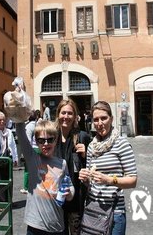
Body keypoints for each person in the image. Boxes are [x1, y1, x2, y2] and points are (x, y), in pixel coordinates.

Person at [79, 101, 137, 235]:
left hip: (114, 211)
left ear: (111, 118)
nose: (100, 123)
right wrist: (85, 178)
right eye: (96, 120)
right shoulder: (92, 146)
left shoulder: (121, 144)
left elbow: (132, 180)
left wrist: (109, 180)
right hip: (93, 209)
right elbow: (90, 183)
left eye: (103, 118)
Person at [15, 118, 75, 234]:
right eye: (41, 140)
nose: (46, 144)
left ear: (56, 140)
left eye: (50, 140)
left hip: (57, 225)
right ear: (36, 142)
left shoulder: (62, 163)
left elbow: (70, 186)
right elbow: (21, 133)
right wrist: (19, 111)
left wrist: (69, 193)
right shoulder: (32, 159)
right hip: (36, 226)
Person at [54, 99, 91, 235]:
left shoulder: (82, 137)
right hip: (56, 198)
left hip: (76, 199)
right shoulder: (51, 137)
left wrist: (86, 155)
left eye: (70, 113)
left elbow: (94, 165)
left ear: (75, 116)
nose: (66, 116)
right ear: (58, 114)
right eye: (63, 112)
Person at [0, 110, 18, 203]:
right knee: (0, 181)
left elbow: (13, 146)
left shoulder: (9, 132)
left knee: (9, 181)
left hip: (8, 159)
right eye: (0, 120)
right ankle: (1, 201)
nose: (2, 122)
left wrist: (15, 158)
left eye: (3, 120)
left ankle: (9, 200)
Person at [20, 110, 38, 194]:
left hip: (32, 148)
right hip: (38, 149)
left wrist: (25, 152)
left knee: (27, 169)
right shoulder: (37, 124)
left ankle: (26, 187)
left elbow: (27, 140)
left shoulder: (29, 127)